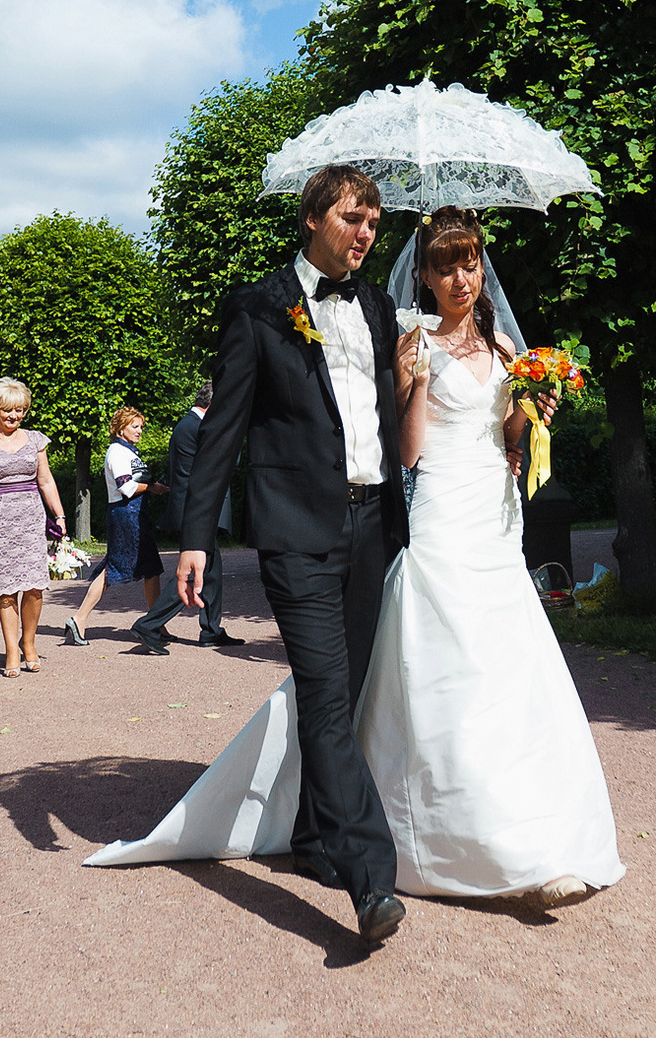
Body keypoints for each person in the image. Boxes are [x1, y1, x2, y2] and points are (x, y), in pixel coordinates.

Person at [87, 206, 624, 909]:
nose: (461, 277)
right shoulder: (407, 337)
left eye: (470, 263)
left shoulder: (500, 345)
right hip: (435, 518)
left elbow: (510, 440)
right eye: (445, 265)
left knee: (508, 671)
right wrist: (417, 383)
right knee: (444, 677)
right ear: (424, 276)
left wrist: (531, 408)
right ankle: (445, 846)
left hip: (495, 520)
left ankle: (535, 833)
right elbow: (405, 453)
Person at [168, 162, 413, 946]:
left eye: (374, 223)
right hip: (296, 532)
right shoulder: (257, 308)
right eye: (352, 218)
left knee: (340, 699)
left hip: (373, 523)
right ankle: (372, 879)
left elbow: (377, 417)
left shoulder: (377, 307)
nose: (365, 235)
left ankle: (313, 840)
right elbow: (223, 430)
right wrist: (196, 537)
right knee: (325, 690)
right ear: (313, 219)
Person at [0, 377, 68, 678]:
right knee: (6, 591)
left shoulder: (35, 440)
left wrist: (59, 516)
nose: (14, 416)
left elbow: (46, 480)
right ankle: (10, 650)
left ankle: (28, 643)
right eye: (8, 410)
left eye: (20, 410)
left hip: (31, 519)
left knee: (34, 587)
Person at [130, 382, 243, 654]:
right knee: (196, 573)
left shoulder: (187, 424)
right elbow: (228, 461)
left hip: (196, 508)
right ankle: (149, 623)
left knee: (211, 572)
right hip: (198, 510)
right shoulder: (199, 426)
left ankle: (211, 630)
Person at [65, 407, 164, 645]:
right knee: (114, 569)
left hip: (135, 515)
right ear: (121, 428)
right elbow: (126, 487)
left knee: (151, 569)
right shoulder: (117, 452)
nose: (140, 430)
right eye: (135, 426)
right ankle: (79, 618)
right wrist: (152, 488)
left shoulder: (128, 451)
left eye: (141, 426)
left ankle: (155, 624)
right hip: (125, 516)